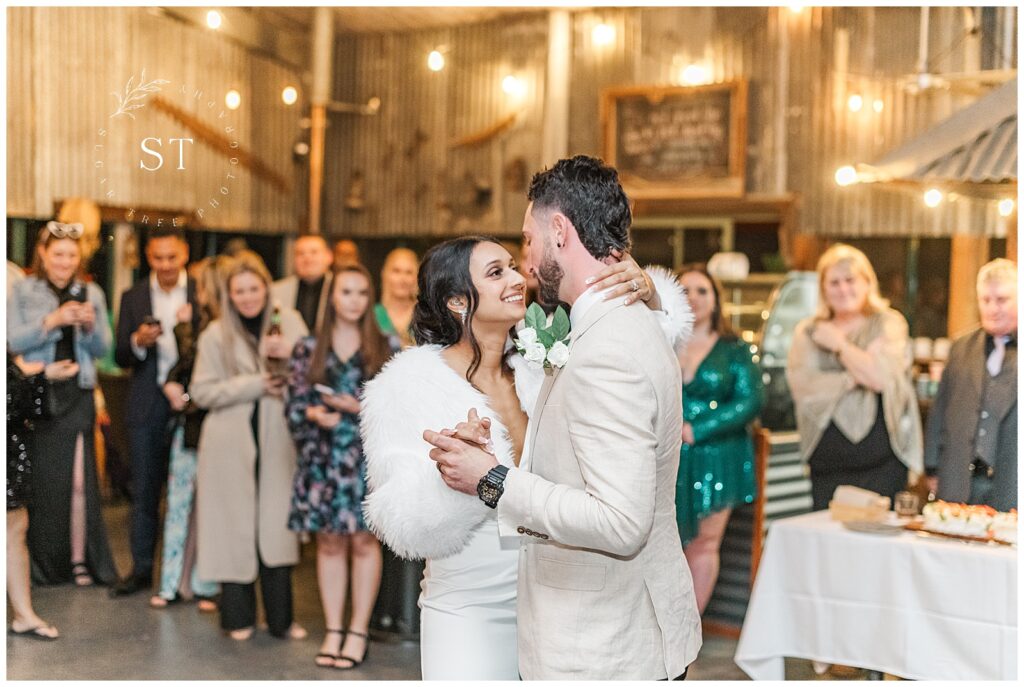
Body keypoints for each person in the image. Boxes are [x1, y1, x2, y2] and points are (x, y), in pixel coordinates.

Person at [363, 167, 695, 680]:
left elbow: (633, 375)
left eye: (516, 260)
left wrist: (650, 295)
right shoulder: (408, 385)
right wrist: (455, 475)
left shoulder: (541, 364)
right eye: (497, 273)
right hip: (470, 603)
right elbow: (400, 523)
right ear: (457, 300)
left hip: (551, 603)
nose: (520, 276)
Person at [190, 250, 308, 641]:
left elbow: (314, 371)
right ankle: (237, 618)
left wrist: (290, 360)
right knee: (232, 527)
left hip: (279, 437)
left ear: (265, 287)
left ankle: (281, 620)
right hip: (228, 442)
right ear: (229, 294)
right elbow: (201, 392)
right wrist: (254, 384)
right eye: (238, 291)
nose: (247, 297)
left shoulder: (288, 322)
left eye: (253, 288)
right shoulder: (214, 334)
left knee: (276, 527)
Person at [285, 264, 398, 669]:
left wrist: (359, 407)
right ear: (332, 296)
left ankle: (358, 631)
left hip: (364, 462)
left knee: (364, 543)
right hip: (322, 461)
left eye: (362, 293)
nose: (354, 300)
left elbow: (398, 411)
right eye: (346, 292)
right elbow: (293, 405)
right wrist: (315, 414)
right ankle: (334, 629)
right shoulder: (308, 347)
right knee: (330, 543)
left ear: (370, 300)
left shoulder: (386, 345)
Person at [7, 222, 117, 586]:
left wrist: (87, 325)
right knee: (42, 483)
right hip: (39, 392)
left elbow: (103, 348)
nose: (65, 262)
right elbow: (11, 340)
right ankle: (43, 565)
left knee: (79, 482)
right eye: (58, 254)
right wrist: (53, 320)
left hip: (79, 392)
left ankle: (79, 559)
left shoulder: (91, 291)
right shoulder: (24, 291)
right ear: (42, 254)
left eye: (72, 255)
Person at [787, 244, 923, 511]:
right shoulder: (809, 331)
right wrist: (856, 373)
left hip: (883, 461)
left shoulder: (889, 323)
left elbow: (881, 379)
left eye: (850, 280)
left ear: (867, 283)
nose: (843, 289)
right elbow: (806, 389)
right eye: (834, 282)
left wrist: (839, 346)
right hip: (827, 463)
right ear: (823, 288)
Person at [111, 226, 198, 597]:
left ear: (184, 255)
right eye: (158, 258)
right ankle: (143, 568)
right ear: (148, 257)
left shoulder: (199, 292)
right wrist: (138, 342)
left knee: (191, 491)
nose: (165, 265)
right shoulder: (133, 297)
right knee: (145, 488)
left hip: (193, 400)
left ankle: (187, 573)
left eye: (172, 257)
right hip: (148, 402)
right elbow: (119, 356)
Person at [675, 264, 763, 615]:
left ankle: (689, 632)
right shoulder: (661, 341)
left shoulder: (735, 349)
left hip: (718, 456)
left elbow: (750, 401)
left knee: (704, 544)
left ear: (716, 299)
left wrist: (698, 429)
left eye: (702, 291)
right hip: (669, 457)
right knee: (667, 544)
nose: (694, 298)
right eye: (685, 291)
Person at [150, 256, 229, 610]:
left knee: (209, 510)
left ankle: (203, 583)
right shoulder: (193, 329)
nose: (195, 294)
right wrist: (173, 389)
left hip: (216, 428)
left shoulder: (229, 334)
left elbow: (214, 386)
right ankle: (171, 583)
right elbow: (180, 372)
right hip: (190, 429)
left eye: (199, 286)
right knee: (181, 506)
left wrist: (190, 398)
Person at [924, 258, 1017, 510]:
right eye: (985, 300)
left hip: (1012, 482)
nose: (992, 308)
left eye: (1002, 300)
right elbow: (940, 410)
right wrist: (931, 467)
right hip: (960, 480)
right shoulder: (961, 348)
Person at [7, 352, 79, 640]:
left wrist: (28, 374)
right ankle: (23, 614)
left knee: (15, 526)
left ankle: (23, 614)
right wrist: (40, 377)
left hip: (12, 449)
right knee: (13, 527)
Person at [271, 235, 334, 333]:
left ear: (329, 257)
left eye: (314, 252)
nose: (307, 258)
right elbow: (274, 321)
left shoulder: (341, 289)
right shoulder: (277, 291)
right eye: (300, 253)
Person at [374, 247, 418, 348]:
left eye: (409, 272)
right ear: (385, 275)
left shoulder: (426, 316)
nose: (402, 279)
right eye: (396, 271)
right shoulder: (373, 315)